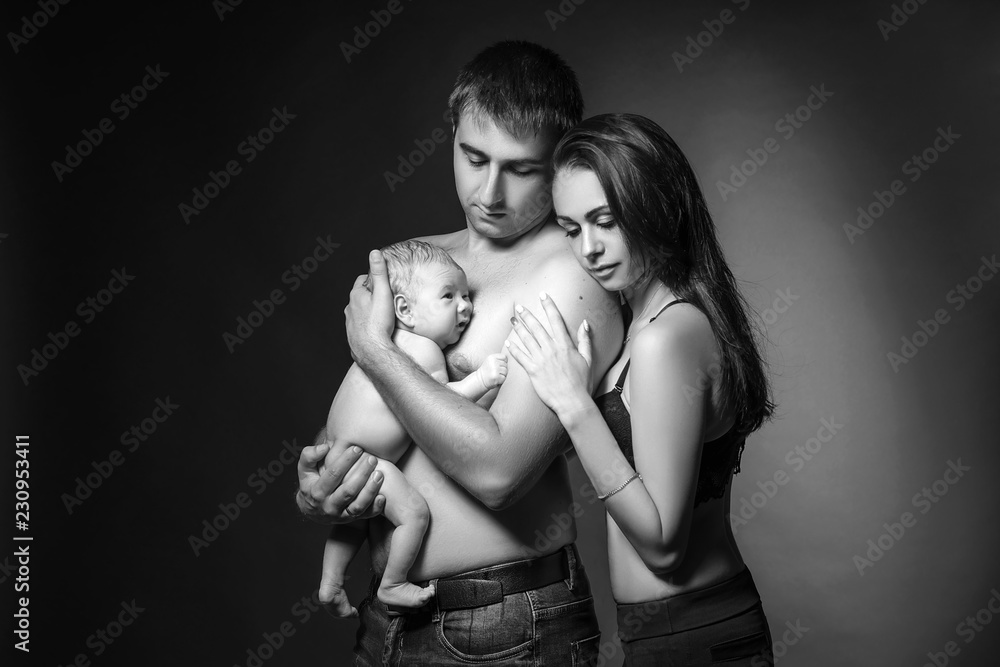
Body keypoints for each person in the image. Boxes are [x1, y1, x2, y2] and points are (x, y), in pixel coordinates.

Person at [296, 41, 623, 665]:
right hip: (387, 616)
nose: (490, 191)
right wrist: (320, 488)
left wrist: (373, 347)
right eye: (474, 158)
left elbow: (499, 474)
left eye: (522, 169)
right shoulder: (417, 259)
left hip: (505, 624)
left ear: (561, 162)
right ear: (452, 137)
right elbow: (364, 420)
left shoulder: (571, 274)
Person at [505, 113, 777, 666]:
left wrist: (575, 404)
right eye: (572, 228)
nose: (590, 249)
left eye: (606, 220)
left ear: (656, 207)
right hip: (667, 634)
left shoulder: (667, 338)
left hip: (696, 636)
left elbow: (662, 546)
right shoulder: (646, 325)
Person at [317, 240, 508, 616]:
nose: (465, 306)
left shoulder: (386, 343)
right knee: (415, 514)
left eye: (467, 295)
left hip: (340, 454)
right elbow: (440, 403)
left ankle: (331, 582)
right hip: (367, 460)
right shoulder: (421, 349)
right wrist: (484, 379)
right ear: (403, 308)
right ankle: (393, 583)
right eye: (448, 296)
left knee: (356, 520)